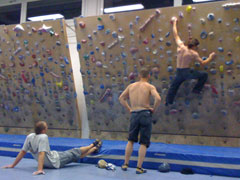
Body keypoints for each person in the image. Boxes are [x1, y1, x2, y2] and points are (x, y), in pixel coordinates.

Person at [2, 121, 102, 175]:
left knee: (75, 156)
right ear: (43, 130)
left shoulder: (30, 136)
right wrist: (39, 169)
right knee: (75, 151)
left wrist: (13, 165)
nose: (47, 130)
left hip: (52, 159)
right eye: (46, 128)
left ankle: (93, 149)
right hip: (55, 161)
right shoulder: (43, 137)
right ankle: (92, 145)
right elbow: (41, 153)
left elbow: (22, 152)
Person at [119, 67, 161, 174]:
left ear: (139, 76)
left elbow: (121, 98)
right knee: (143, 142)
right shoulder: (149, 86)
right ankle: (139, 167)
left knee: (131, 140)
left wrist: (129, 109)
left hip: (134, 113)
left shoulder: (131, 86)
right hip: (145, 113)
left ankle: (125, 164)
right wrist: (153, 109)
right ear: (149, 76)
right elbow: (158, 98)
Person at [165, 17, 216, 105]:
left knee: (173, 87)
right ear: (194, 46)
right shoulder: (193, 53)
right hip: (186, 73)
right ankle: (196, 90)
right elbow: (203, 63)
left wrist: (174, 23)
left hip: (178, 72)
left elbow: (175, 34)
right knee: (204, 75)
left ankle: (168, 102)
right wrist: (210, 57)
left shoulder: (181, 46)